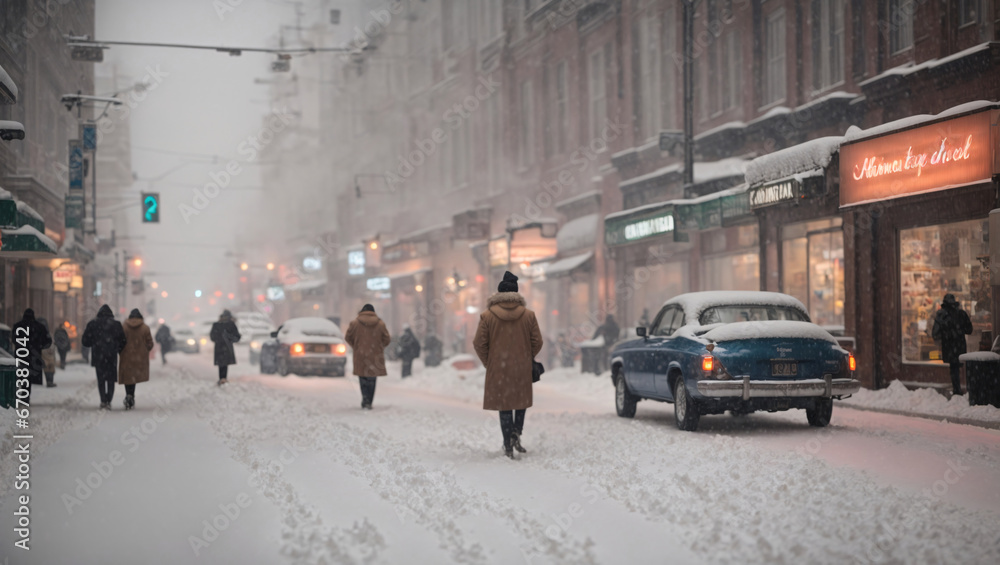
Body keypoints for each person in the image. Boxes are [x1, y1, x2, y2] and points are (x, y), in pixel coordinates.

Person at [474, 271, 543, 459]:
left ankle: (507, 443)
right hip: (521, 367)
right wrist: (526, 356)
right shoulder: (528, 315)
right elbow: (537, 341)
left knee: (504, 405)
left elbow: (479, 343)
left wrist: (490, 361)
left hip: (499, 368)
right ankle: (516, 433)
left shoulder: (487, 316)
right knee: (520, 402)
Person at [344, 304, 391, 409]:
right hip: (375, 355)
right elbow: (387, 339)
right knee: (372, 378)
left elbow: (348, 337)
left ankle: (365, 399)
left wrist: (356, 346)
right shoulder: (380, 324)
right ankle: (369, 400)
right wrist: (379, 347)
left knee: (363, 377)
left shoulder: (355, 323)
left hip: (360, 355)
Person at [81, 304, 126, 410]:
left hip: (98, 356)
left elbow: (85, 341)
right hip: (111, 356)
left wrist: (95, 343)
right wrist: (116, 348)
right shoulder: (116, 324)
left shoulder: (93, 324)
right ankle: (109, 400)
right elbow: (123, 341)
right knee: (111, 379)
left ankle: (103, 400)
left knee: (101, 379)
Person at [932, 294, 973, 396]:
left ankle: (957, 390)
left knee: (953, 368)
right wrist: (959, 330)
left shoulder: (941, 315)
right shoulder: (961, 314)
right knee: (962, 367)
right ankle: (966, 389)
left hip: (949, 346)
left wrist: (946, 332)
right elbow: (969, 330)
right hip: (959, 345)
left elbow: (935, 333)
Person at [11, 309, 53, 405]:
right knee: (28, 376)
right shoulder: (39, 327)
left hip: (21, 355)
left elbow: (14, 339)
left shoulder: (18, 326)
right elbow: (48, 341)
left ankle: (20, 395)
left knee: (20, 375)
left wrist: (21, 345)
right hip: (34, 356)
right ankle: (25, 396)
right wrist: (39, 346)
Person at [118, 309, 154, 410]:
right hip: (139, 357)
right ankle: (131, 396)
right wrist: (145, 350)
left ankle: (128, 394)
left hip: (126, 356)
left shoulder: (124, 326)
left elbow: (120, 340)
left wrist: (121, 351)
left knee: (127, 377)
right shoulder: (145, 328)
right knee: (133, 377)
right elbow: (150, 343)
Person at [210, 310, 241, 385]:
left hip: (219, 347)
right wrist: (229, 339)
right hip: (227, 347)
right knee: (225, 363)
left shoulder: (216, 325)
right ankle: (223, 378)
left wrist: (218, 340)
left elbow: (212, 336)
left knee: (221, 364)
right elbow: (237, 337)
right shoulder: (231, 324)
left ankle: (222, 378)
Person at [38, 318, 57, 388]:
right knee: (50, 366)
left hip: (43, 350)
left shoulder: (39, 331)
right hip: (48, 350)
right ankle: (50, 381)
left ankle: (49, 381)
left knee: (47, 366)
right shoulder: (47, 332)